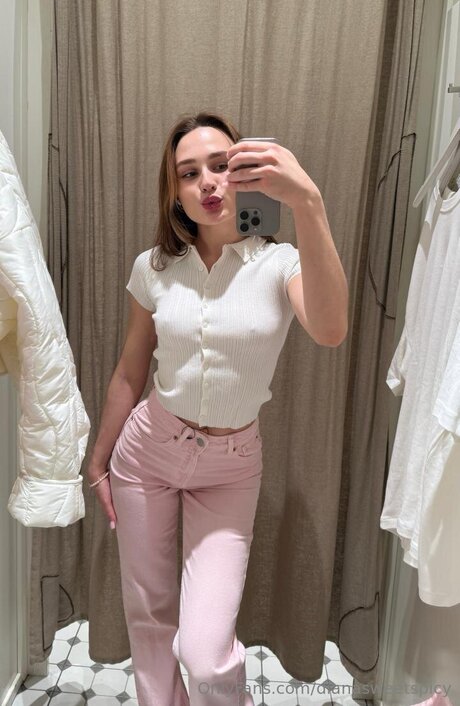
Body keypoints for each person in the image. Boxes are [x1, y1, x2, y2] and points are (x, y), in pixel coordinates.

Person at [87, 111, 348, 706]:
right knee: (149, 619)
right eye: (189, 173)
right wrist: (98, 460)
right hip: (146, 454)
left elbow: (331, 329)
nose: (207, 181)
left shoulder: (280, 264)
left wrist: (307, 201)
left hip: (230, 469)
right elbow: (130, 371)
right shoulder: (154, 268)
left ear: (246, 174)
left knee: (205, 652)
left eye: (221, 165)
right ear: (175, 192)